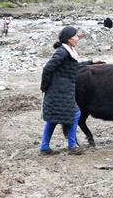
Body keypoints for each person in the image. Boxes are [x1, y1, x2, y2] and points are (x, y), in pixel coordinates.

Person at [39, 26, 102, 156]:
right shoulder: (62, 52)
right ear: (69, 39)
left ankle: (45, 147)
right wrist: (44, 86)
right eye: (75, 36)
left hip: (63, 89)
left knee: (53, 118)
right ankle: (72, 146)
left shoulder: (68, 51)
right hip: (59, 91)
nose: (77, 38)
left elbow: (73, 67)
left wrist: (91, 62)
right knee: (75, 114)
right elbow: (47, 69)